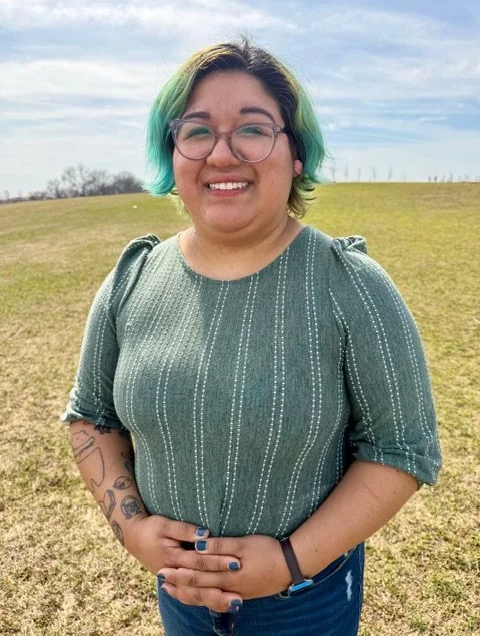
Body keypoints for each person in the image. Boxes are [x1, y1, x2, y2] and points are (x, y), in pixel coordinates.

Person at [61, 38, 442, 636]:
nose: (222, 153)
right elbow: (91, 416)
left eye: (253, 129)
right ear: (172, 152)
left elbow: (402, 450)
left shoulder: (351, 285)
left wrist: (289, 561)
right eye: (197, 131)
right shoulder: (132, 279)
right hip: (180, 601)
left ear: (296, 154)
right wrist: (133, 530)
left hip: (307, 605)